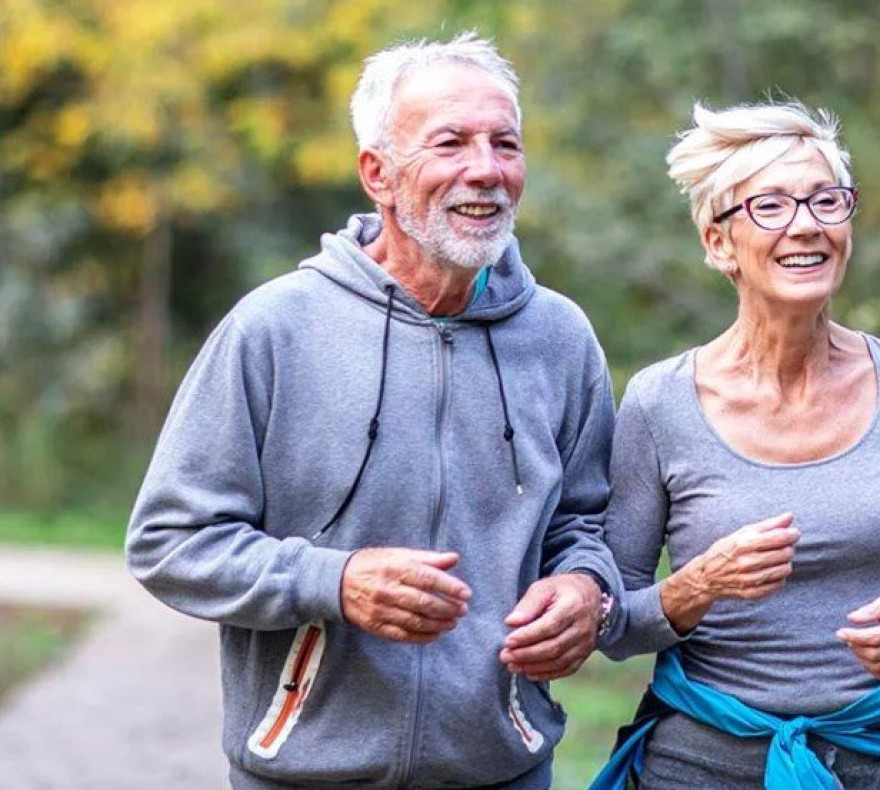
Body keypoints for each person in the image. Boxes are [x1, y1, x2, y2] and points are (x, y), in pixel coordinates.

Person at [127, 32, 622, 790]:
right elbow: (169, 541)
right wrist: (335, 580)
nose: (485, 170)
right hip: (303, 773)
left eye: (505, 144)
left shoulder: (561, 336)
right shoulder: (275, 328)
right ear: (378, 175)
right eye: (450, 143)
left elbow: (585, 524)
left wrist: (586, 586)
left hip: (502, 770)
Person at [591, 102, 880, 790]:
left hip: (874, 759)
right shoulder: (658, 401)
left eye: (827, 200)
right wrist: (698, 584)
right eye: (771, 206)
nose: (807, 224)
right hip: (696, 765)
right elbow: (614, 624)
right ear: (718, 242)